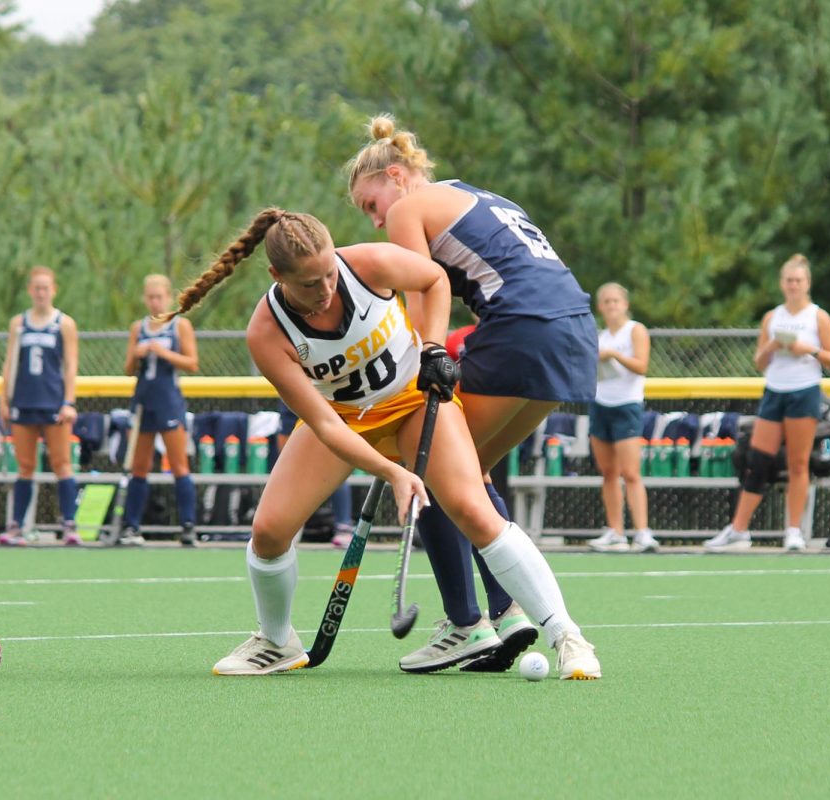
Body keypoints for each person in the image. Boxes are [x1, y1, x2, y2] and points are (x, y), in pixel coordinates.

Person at [164, 208, 599, 680]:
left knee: (473, 511)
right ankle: (276, 640)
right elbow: (327, 427)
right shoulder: (267, 333)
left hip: (413, 402)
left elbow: (434, 279)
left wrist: (432, 346)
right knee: (269, 532)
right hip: (343, 421)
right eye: (309, 284)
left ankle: (567, 637)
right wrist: (393, 471)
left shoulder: (370, 264)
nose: (326, 289)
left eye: (329, 273)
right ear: (277, 276)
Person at [347, 115, 598, 672]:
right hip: (574, 330)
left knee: (431, 463)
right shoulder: (476, 195)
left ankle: (465, 623)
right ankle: (507, 613)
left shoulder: (411, 208)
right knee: (471, 468)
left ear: (396, 175)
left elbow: (418, 310)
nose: (376, 217)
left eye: (371, 204)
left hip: (522, 327)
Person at [705, 255, 830, 552]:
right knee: (758, 461)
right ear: (782, 284)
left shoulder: (818, 317)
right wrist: (773, 345)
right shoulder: (772, 317)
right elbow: (759, 362)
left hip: (803, 391)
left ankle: (793, 530)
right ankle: (739, 530)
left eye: (799, 281)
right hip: (774, 391)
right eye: (789, 280)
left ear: (807, 284)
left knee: (797, 461)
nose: (793, 286)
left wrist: (807, 349)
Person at [108, 273, 199, 547]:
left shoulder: (179, 326)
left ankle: (188, 526)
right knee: (139, 466)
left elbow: (192, 363)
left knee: (178, 464)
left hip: (168, 400)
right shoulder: (139, 328)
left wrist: (163, 352)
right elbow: (127, 369)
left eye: (160, 297)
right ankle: (132, 526)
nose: (155, 302)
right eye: (150, 297)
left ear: (169, 297)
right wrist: (137, 354)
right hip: (143, 401)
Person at [0, 266, 80, 546]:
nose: (41, 293)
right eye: (37, 288)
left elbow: (70, 365)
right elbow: (10, 362)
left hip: (53, 402)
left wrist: (69, 401)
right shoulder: (18, 323)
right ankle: (17, 526)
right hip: (24, 401)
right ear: (30, 290)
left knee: (62, 464)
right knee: (25, 466)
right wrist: (3, 399)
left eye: (46, 288)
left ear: (53, 290)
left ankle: (69, 524)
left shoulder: (64, 323)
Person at [586, 283, 658, 553]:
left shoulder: (635, 330)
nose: (611, 305)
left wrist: (615, 355)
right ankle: (615, 531)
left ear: (625, 304)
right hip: (601, 403)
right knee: (608, 472)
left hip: (626, 405)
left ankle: (642, 532)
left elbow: (641, 366)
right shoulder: (599, 335)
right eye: (606, 301)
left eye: (616, 301)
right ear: (600, 307)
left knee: (630, 473)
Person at [276, 399, 355, 548]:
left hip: (332, 436)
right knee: (291, 478)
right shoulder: (291, 393)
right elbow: (284, 433)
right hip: (301, 446)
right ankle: (286, 528)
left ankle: (344, 527)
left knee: (334, 476)